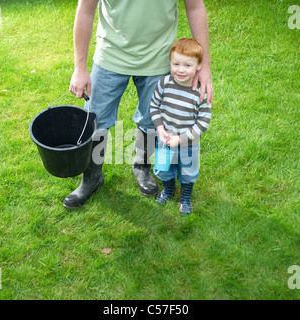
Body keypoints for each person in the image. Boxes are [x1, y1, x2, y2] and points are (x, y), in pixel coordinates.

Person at [64, 0, 213, 209]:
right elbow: (85, 11)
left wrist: (204, 65)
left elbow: (195, 7)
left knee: (152, 119)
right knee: (94, 121)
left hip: (158, 59)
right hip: (110, 57)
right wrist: (80, 68)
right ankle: (92, 178)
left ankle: (142, 166)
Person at [150, 38, 211, 215]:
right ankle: (169, 189)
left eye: (187, 65)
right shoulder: (164, 83)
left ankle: (185, 197)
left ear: (199, 65)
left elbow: (203, 122)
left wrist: (181, 139)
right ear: (170, 62)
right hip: (165, 139)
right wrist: (160, 129)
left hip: (188, 144)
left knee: (188, 172)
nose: (181, 70)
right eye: (176, 64)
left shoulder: (201, 91)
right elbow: (154, 107)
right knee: (163, 168)